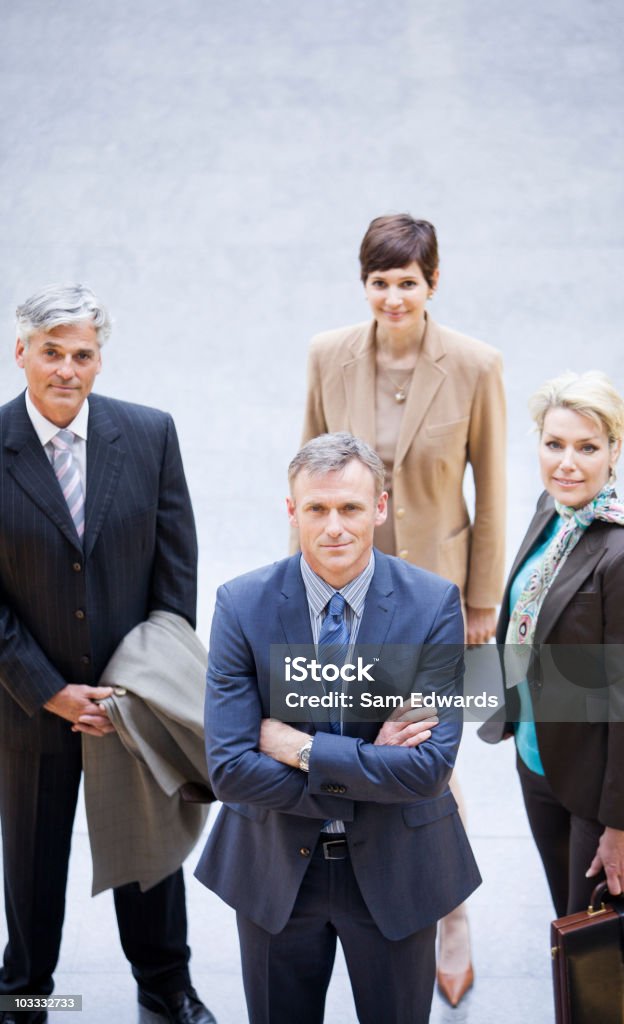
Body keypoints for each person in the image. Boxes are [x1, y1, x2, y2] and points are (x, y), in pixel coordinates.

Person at [196, 432, 481, 1024]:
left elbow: (428, 769)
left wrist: (296, 746)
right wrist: (368, 763)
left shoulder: (432, 605)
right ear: (292, 509)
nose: (334, 527)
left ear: (379, 507)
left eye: (351, 508)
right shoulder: (241, 604)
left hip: (398, 870)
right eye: (317, 509)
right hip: (275, 871)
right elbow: (229, 769)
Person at [298, 213, 506, 1004]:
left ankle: (448, 913)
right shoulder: (327, 355)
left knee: (426, 756)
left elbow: (492, 489)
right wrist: (297, 595)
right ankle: (370, 902)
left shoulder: (476, 365)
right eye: (380, 282)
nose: (393, 297)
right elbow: (308, 482)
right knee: (357, 740)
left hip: (434, 596)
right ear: (365, 283)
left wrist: (479, 598)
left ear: (433, 282)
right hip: (342, 592)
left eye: (407, 283)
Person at [0, 284, 215, 1024]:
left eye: (81, 354)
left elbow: (175, 573)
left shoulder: (149, 435)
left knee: (151, 856)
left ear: (100, 360)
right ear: (20, 351)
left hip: (133, 701)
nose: (66, 368)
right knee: (30, 867)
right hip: (28, 703)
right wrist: (49, 689)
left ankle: (166, 988)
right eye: (51, 352)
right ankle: (24, 997)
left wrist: (141, 688)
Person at [482, 371, 624, 917]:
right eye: (554, 444)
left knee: (599, 949)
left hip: (601, 786)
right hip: (539, 761)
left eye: (587, 447)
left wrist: (621, 825)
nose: (566, 463)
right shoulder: (552, 513)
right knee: (567, 930)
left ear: (615, 450)